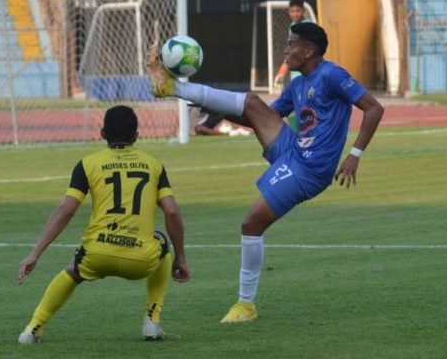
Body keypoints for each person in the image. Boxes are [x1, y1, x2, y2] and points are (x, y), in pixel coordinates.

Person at [147, 22, 384, 323]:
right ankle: (174, 90)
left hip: (311, 168)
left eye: (291, 43)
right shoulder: (297, 84)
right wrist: (204, 102)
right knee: (252, 103)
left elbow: (374, 108)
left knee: (251, 224)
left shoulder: (333, 75)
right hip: (293, 149)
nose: (286, 49)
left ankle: (246, 305)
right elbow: (258, 117)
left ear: (309, 50)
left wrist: (354, 155)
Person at [16, 105, 190, 343]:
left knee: (72, 272)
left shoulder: (88, 164)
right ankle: (152, 321)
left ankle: (33, 328)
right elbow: (171, 212)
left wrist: (35, 253)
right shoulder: (154, 164)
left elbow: (66, 210)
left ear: (102, 134)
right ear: (136, 136)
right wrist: (181, 257)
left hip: (97, 253)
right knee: (162, 240)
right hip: (140, 261)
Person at [273, 0, 313, 93]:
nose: (295, 14)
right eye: (292, 11)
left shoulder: (309, 25)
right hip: (296, 67)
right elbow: (292, 48)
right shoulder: (292, 26)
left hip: (307, 66)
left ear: (303, 11)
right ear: (288, 12)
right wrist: (284, 66)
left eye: (298, 11)